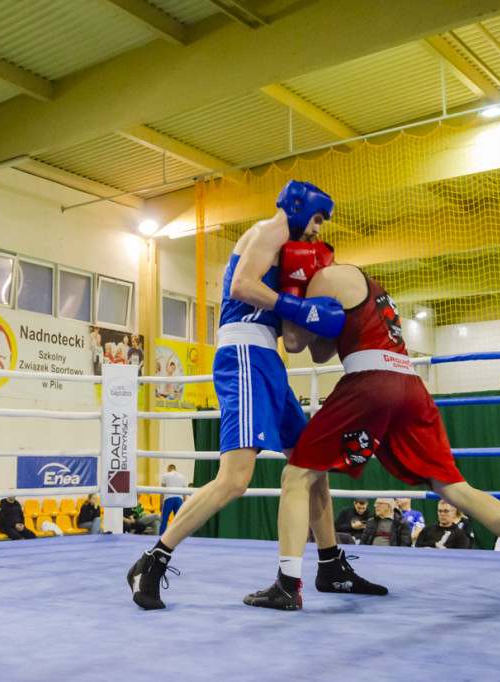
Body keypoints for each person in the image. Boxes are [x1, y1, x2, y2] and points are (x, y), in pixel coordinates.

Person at [259, 250, 500, 610]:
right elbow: (321, 353)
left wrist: (287, 299)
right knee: (453, 486)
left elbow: (296, 344)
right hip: (410, 386)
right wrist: (307, 312)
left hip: (370, 383)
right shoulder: (364, 285)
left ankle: (287, 584)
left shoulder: (324, 278)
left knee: (296, 475)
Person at [129, 180, 358, 611]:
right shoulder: (269, 232)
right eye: (317, 217)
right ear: (297, 206)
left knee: (311, 462)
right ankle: (153, 559)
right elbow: (242, 287)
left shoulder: (290, 252)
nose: (319, 228)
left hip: (266, 357)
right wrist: (298, 308)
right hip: (244, 354)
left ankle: (330, 564)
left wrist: (314, 316)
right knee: (235, 480)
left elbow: (290, 342)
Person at [158, 464, 187, 535]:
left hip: (168, 498)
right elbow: (185, 492)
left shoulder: (165, 475)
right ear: (175, 469)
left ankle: (160, 537)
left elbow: (162, 490)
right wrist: (184, 503)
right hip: (179, 499)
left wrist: (160, 503)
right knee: (179, 520)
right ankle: (180, 536)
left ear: (168, 469)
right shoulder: (182, 476)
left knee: (164, 520)